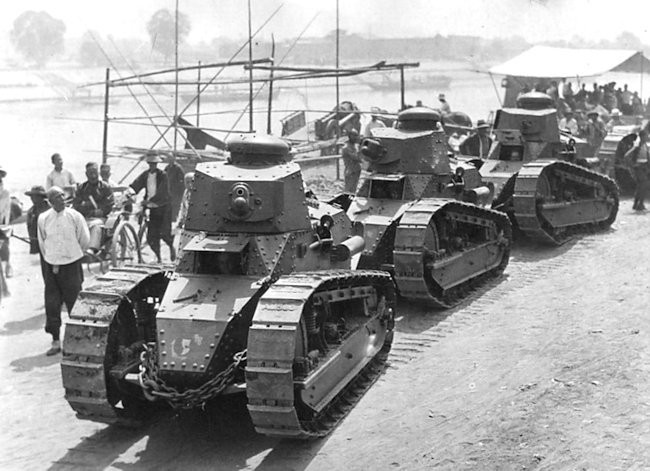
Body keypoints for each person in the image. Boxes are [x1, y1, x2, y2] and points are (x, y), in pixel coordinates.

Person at [37, 186, 90, 356]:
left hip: (71, 266)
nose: (61, 199)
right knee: (52, 304)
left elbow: (84, 238)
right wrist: (53, 260)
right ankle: (55, 341)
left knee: (75, 303)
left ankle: (78, 343)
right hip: (51, 267)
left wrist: (72, 256)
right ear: (50, 202)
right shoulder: (43, 218)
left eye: (62, 196)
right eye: (56, 197)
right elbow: (42, 242)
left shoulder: (75, 216)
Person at [128, 152, 176, 263]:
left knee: (164, 233)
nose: (152, 166)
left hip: (163, 206)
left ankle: (170, 247)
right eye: (150, 163)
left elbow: (162, 192)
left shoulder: (163, 175)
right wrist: (131, 192)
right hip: (152, 208)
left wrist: (149, 201)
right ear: (148, 163)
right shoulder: (145, 175)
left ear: (157, 164)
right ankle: (158, 257)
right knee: (152, 236)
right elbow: (136, 185)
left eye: (154, 164)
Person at [72, 162, 114, 253]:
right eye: (90, 172)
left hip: (101, 218)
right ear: (86, 174)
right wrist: (87, 209)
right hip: (85, 217)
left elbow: (108, 205)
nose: (93, 175)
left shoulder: (105, 187)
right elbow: (76, 205)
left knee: (95, 226)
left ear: (98, 172)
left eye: (94, 172)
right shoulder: (81, 188)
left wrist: (98, 211)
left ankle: (92, 249)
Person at [625, 129, 650, 210]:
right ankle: (640, 204)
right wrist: (632, 165)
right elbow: (627, 156)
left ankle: (637, 204)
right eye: (646, 136)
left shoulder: (645, 145)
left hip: (644, 167)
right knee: (644, 184)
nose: (647, 137)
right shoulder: (637, 146)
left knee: (641, 186)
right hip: (638, 168)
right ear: (642, 137)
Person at [25, 185, 51, 256]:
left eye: (36, 196)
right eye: (32, 197)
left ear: (42, 197)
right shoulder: (31, 212)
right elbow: (30, 229)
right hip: (39, 245)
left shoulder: (51, 210)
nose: (33, 199)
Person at [175, 172, 195, 254]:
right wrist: (181, 219)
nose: (190, 184)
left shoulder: (198, 193)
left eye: (192, 182)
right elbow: (183, 207)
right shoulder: (186, 192)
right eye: (187, 182)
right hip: (187, 223)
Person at [165, 154, 185, 222]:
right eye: (168, 158)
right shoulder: (167, 168)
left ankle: (174, 218)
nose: (169, 160)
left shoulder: (178, 168)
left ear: (174, 159)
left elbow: (182, 180)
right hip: (168, 190)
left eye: (171, 158)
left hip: (176, 191)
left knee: (175, 205)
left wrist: (179, 190)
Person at [0, 166, 12, 279]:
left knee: (4, 244)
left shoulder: (5, 191)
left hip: (2, 221)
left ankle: (8, 265)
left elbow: (3, 209)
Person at [342, 129, 362, 193]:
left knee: (354, 190)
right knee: (348, 191)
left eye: (357, 135)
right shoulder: (347, 147)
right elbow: (356, 158)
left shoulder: (354, 146)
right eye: (354, 136)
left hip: (356, 170)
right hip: (350, 172)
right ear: (350, 136)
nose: (356, 137)